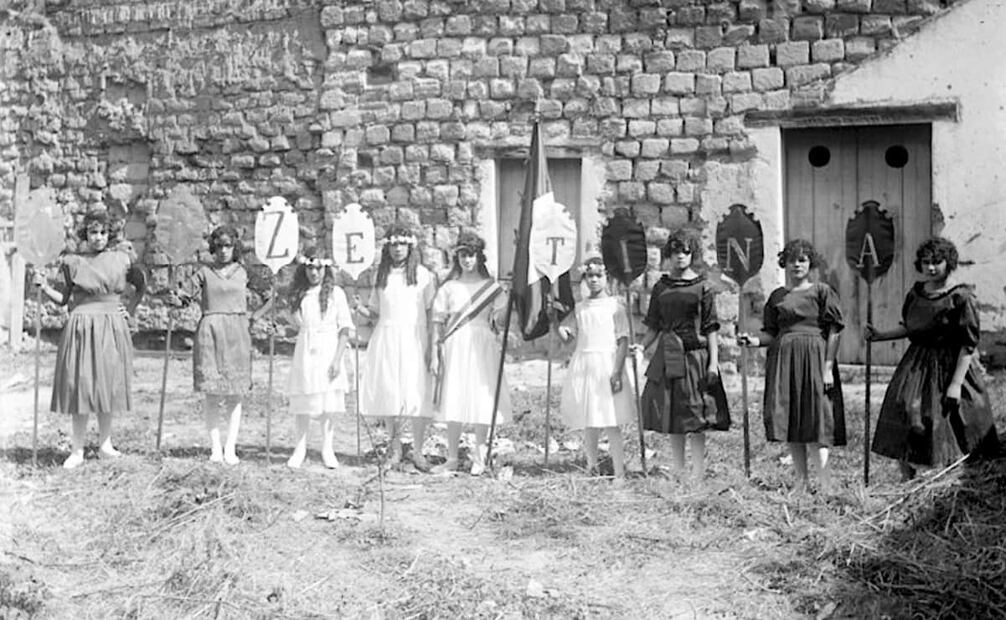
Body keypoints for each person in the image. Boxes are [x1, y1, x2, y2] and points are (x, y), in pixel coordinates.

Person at [867, 237, 999, 479]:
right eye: (926, 262)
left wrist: (956, 385)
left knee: (949, 423)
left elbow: (967, 345)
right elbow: (911, 327)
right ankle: (908, 479)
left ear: (949, 263)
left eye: (936, 262)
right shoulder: (916, 294)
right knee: (905, 412)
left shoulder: (961, 298)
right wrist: (880, 335)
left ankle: (951, 479)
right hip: (916, 365)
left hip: (951, 365)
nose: (930, 267)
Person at [34, 210, 146, 469]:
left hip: (111, 324)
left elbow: (140, 285)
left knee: (107, 383)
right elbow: (63, 299)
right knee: (81, 384)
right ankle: (77, 449)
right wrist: (43, 286)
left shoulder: (121, 259)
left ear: (110, 235)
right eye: (93, 232)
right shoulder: (72, 262)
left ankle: (106, 444)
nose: (98, 238)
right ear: (86, 234)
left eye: (103, 233)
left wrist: (128, 310)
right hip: (81, 325)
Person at [739, 239, 845, 493]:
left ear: (810, 263)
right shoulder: (777, 296)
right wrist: (753, 341)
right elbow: (771, 333)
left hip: (816, 359)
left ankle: (825, 483)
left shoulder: (822, 292)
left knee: (816, 418)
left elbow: (835, 331)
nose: (796, 265)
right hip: (784, 361)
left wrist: (828, 367)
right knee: (792, 418)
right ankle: (801, 482)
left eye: (802, 260)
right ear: (783, 263)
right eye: (791, 260)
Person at [171, 225, 268, 465]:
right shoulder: (204, 272)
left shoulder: (244, 272)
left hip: (237, 333)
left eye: (228, 246)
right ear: (214, 247)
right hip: (210, 332)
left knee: (235, 393)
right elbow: (183, 298)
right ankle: (215, 448)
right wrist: (174, 297)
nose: (224, 251)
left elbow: (271, 296)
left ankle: (230, 448)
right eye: (220, 246)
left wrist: (255, 317)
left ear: (234, 247)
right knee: (212, 393)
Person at [639, 228, 730, 481]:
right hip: (668, 357)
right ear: (669, 253)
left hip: (695, 358)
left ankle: (698, 473)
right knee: (673, 414)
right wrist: (641, 347)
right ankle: (678, 472)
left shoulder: (703, 287)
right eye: (676, 251)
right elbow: (654, 326)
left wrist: (714, 363)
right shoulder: (661, 287)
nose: (681, 256)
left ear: (693, 254)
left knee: (696, 416)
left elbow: (711, 328)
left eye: (686, 251)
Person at [355, 224, 437, 471]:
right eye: (393, 245)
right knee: (391, 389)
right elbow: (375, 312)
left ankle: (419, 450)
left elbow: (432, 312)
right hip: (388, 336)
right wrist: (360, 309)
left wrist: (432, 346)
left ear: (410, 247)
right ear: (387, 248)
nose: (398, 249)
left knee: (416, 392)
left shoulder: (424, 276)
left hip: (415, 336)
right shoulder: (381, 276)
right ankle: (395, 448)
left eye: (402, 244)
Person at [429, 232, 510, 476]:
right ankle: (452, 456)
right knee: (454, 395)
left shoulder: (491, 288)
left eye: (471, 255)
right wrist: (434, 354)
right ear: (457, 258)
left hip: (482, 344)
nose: (467, 260)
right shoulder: (449, 288)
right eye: (462, 255)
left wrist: (510, 300)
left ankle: (479, 455)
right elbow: (437, 323)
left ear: (479, 257)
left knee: (480, 397)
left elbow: (500, 321)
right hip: (455, 344)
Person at [557, 256, 634, 479]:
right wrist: (555, 320)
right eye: (589, 276)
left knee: (610, 419)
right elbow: (567, 337)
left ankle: (619, 472)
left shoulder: (615, 307)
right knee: (589, 419)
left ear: (606, 278)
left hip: (607, 365)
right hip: (585, 365)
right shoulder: (580, 308)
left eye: (599, 276)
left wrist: (617, 371)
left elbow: (622, 340)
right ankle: (592, 467)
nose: (594, 280)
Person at [285, 248, 353, 469]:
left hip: (328, 348)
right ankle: (300, 447)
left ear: (326, 269)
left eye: (318, 268)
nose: (314, 273)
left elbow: (344, 329)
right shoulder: (299, 294)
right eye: (309, 268)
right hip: (306, 348)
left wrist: (337, 360)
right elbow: (296, 325)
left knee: (328, 402)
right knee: (304, 398)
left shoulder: (336, 293)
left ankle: (327, 448)